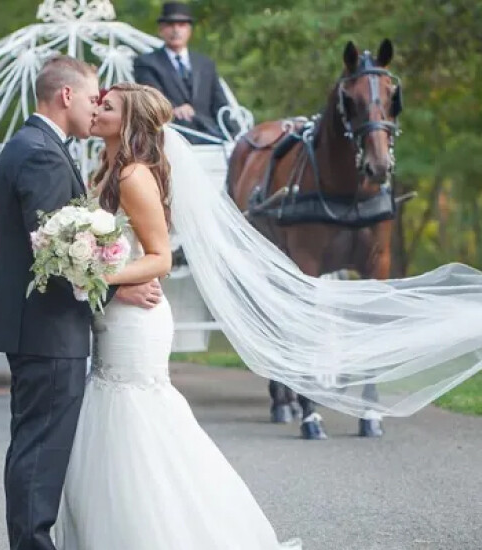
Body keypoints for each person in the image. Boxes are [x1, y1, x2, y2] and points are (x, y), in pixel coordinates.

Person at [52, 82, 302, 549]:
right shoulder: (102, 171)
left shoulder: (132, 176)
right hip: (115, 313)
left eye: (107, 107)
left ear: (127, 122)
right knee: (110, 420)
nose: (97, 110)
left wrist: (105, 279)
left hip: (137, 320)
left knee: (139, 419)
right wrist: (96, 275)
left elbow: (160, 257)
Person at [0, 56, 162, 550]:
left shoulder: (35, 146)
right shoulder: (41, 153)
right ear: (66, 96)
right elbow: (56, 250)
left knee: (35, 448)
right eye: (91, 99)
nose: (94, 109)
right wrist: (117, 287)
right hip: (47, 328)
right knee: (40, 453)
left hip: (41, 327)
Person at [133, 1, 234, 144]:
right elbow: (151, 100)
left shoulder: (205, 64)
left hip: (211, 138)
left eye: (181, 25)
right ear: (161, 29)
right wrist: (174, 110)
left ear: (189, 30)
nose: (176, 30)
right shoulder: (147, 63)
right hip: (170, 137)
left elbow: (221, 104)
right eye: (170, 25)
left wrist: (234, 134)